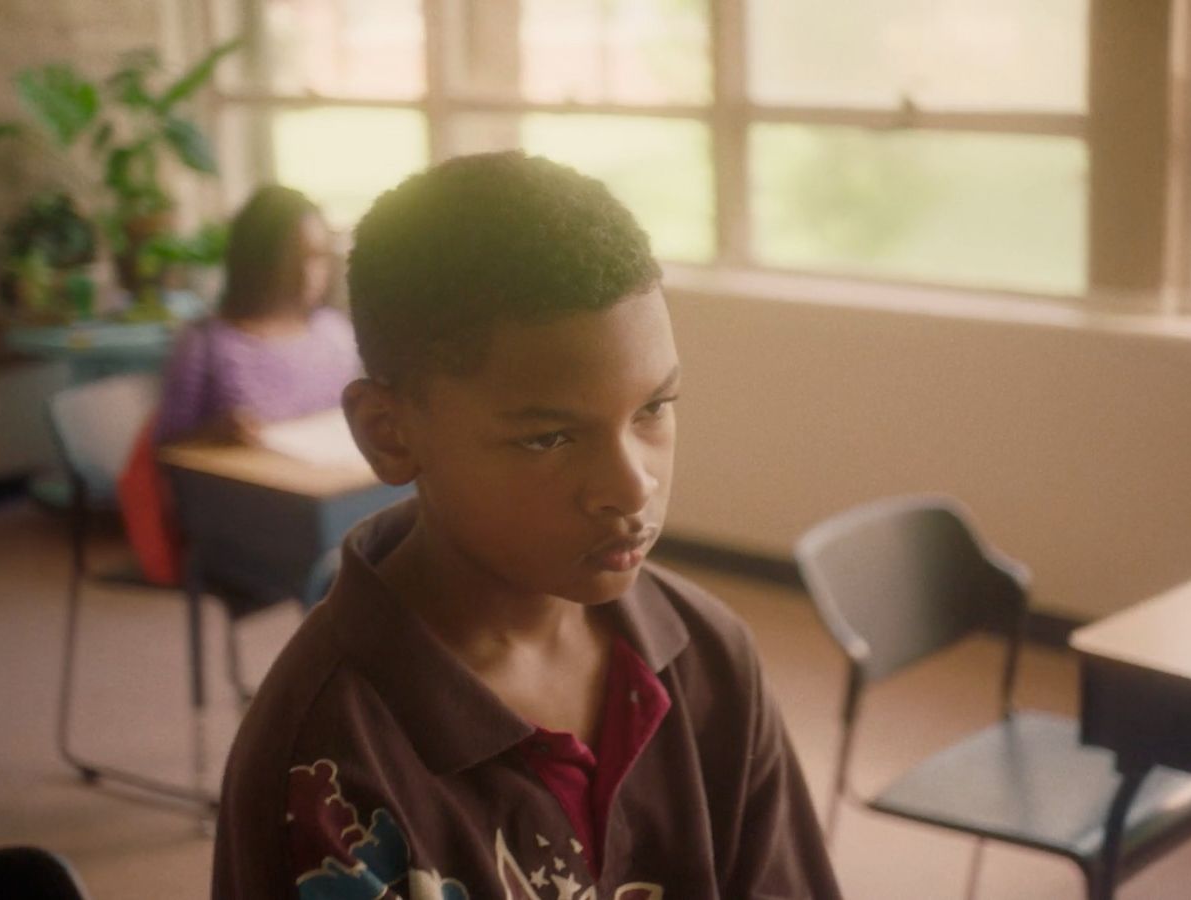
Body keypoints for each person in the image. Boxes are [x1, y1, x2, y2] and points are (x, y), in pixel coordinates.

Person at [212, 152, 841, 899]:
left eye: (654, 409)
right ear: (390, 433)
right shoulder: (326, 768)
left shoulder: (707, 657)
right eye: (548, 438)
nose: (630, 486)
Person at [153, 185, 359, 446]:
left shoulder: (336, 334)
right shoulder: (204, 344)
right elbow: (167, 447)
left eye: (316, 257)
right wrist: (212, 435)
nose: (306, 274)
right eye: (293, 259)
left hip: (335, 482)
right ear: (258, 257)